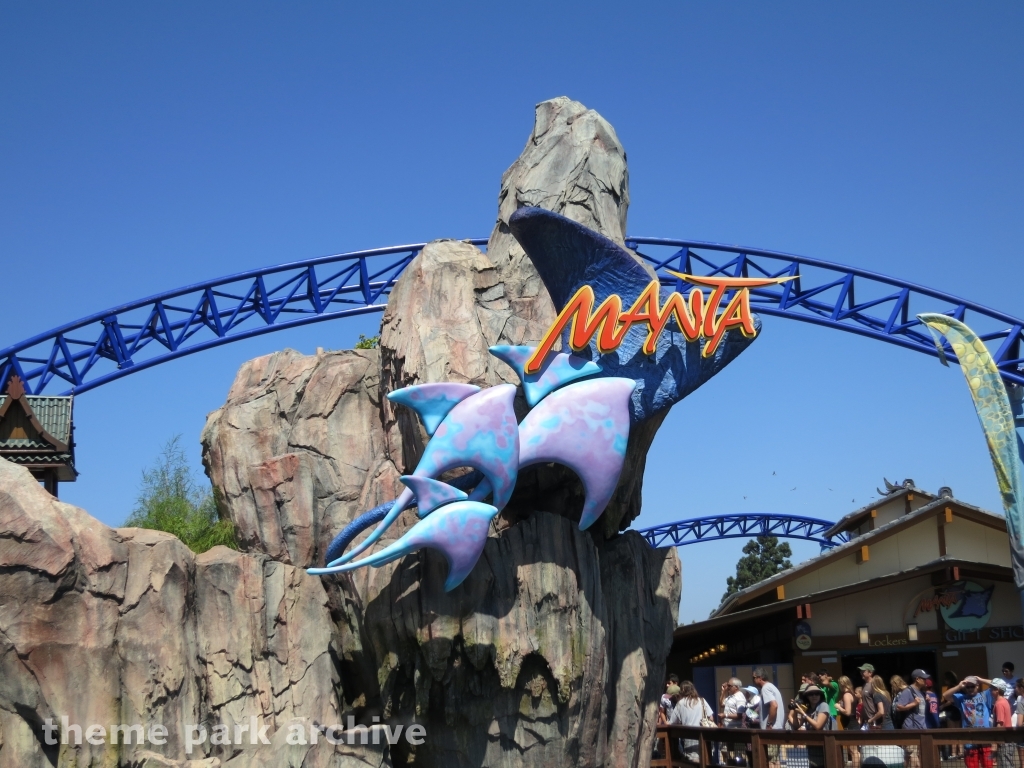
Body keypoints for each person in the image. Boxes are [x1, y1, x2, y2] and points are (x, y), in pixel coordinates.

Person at [943, 675, 997, 768]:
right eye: (968, 687)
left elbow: (997, 684)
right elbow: (945, 695)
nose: (970, 689)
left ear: (977, 686)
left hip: (985, 739)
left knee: (988, 766)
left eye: (972, 686)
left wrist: (981, 680)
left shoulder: (985, 695)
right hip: (969, 739)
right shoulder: (961, 698)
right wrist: (959, 686)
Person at [669, 681, 712, 763]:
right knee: (705, 760)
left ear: (682, 691)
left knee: (692, 761)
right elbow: (711, 717)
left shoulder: (680, 703)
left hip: (689, 737)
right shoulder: (702, 700)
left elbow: (672, 722)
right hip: (705, 736)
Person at [895, 669, 929, 768]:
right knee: (913, 757)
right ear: (917, 679)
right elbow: (899, 707)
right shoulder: (908, 691)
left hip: (921, 728)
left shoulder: (921, 692)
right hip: (911, 728)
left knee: (909, 756)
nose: (926, 681)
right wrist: (913, 703)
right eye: (923, 678)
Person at [791, 685, 832, 768]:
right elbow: (796, 726)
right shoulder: (808, 708)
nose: (814, 696)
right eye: (811, 694)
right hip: (812, 747)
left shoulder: (823, 705)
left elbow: (818, 726)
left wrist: (803, 714)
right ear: (807, 696)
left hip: (824, 746)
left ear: (820, 695)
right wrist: (795, 711)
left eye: (817, 693)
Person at [991, 679, 1013, 768]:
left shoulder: (999, 704)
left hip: (1003, 740)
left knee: (1005, 765)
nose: (990, 690)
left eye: (992, 688)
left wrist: (995, 743)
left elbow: (1000, 724)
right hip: (1007, 738)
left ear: (997, 690)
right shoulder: (1005, 701)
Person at [858, 663, 878, 730]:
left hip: (873, 720)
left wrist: (874, 718)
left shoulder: (874, 685)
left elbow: (879, 702)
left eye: (863, 671)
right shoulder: (865, 685)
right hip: (866, 721)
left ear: (870, 673)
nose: (861, 673)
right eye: (861, 671)